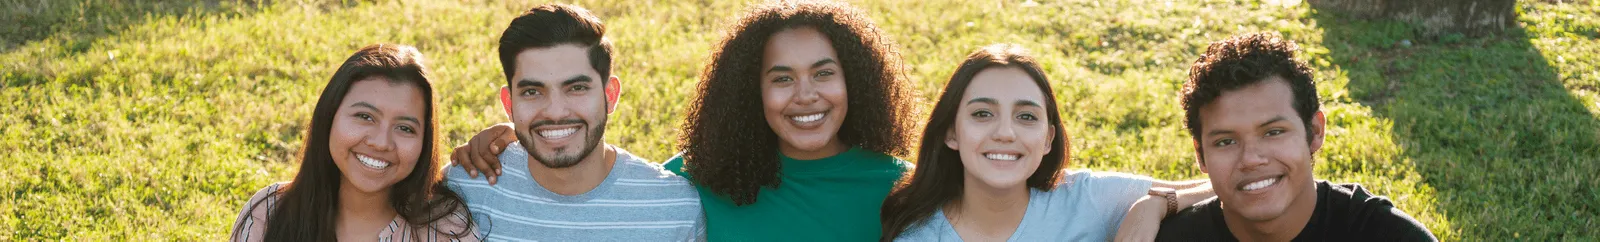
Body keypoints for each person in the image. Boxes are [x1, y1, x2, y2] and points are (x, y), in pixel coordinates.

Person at [451, 0, 918, 240]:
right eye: (781, 78)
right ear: (751, 91)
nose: (806, 95)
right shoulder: (705, 177)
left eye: (824, 73)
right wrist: (514, 136)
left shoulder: (904, 191)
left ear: (856, 81)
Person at [878, 44, 1212, 241]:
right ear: (951, 132)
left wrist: (1158, 203)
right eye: (982, 114)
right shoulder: (921, 236)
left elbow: (1222, 186)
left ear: (1048, 138)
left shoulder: (1085, 199)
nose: (1005, 133)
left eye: (1026, 116)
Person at [439, 4, 705, 241]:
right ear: (509, 104)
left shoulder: (674, 210)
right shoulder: (465, 189)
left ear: (610, 95)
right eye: (532, 92)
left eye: (576, 88)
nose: (555, 112)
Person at [1153, 32, 1435, 241]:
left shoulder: (1387, 235)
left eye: (1273, 132)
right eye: (1225, 141)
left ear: (1315, 131)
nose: (1251, 159)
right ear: (1201, 155)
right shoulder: (1174, 238)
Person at [229, 44, 478, 241]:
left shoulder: (446, 230)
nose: (381, 143)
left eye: (405, 128)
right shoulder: (267, 213)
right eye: (365, 116)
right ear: (330, 115)